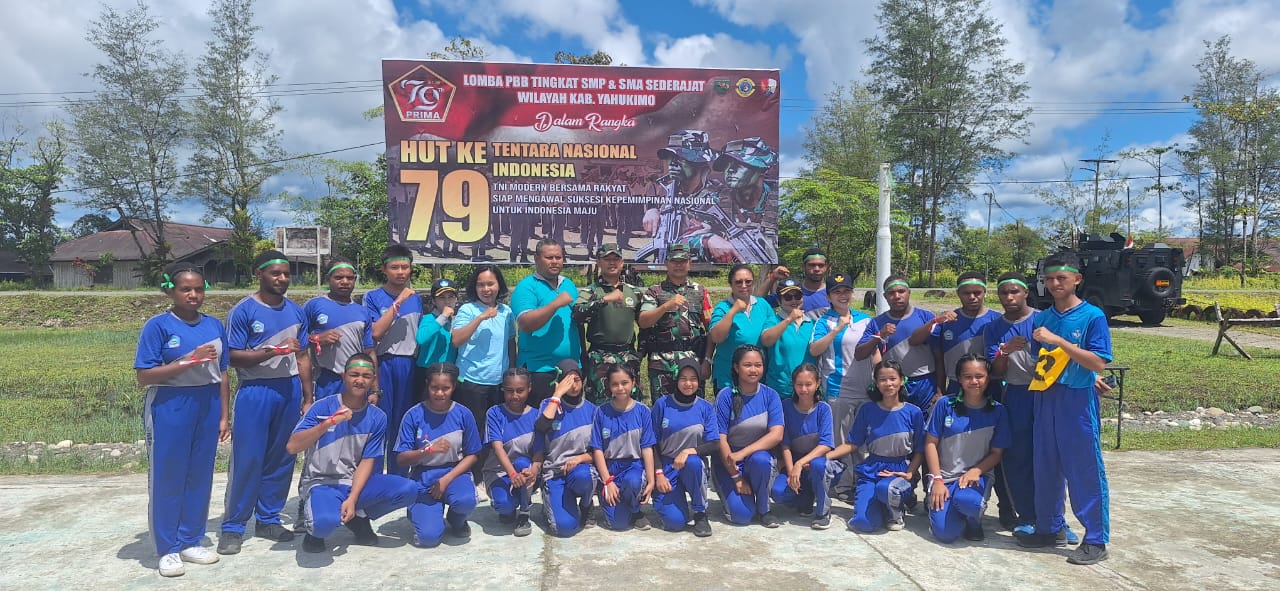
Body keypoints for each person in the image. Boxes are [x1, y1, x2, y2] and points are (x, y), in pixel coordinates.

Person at [1015, 253, 1114, 566]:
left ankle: (1095, 539)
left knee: (1084, 469)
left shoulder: (1092, 316)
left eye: (1062, 278)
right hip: (1046, 396)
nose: (1055, 283)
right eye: (1049, 278)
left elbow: (1098, 361)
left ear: (1077, 279)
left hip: (1077, 400)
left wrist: (1059, 341)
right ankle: (1049, 528)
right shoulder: (1042, 318)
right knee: (1046, 466)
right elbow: (1044, 360)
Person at [134, 263, 230, 576]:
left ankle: (190, 540)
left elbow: (223, 373)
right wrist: (188, 360)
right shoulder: (158, 326)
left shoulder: (214, 325)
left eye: (199, 289)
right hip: (170, 405)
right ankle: (167, 548)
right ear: (171, 292)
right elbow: (144, 376)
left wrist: (224, 415)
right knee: (169, 477)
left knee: (199, 475)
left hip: (207, 403)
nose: (193, 295)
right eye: (185, 289)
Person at [219, 251, 313, 555]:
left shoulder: (296, 312)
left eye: (286, 273)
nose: (282, 279)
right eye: (275, 273)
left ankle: (268, 519)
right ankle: (233, 526)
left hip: (289, 389)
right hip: (255, 390)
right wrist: (274, 350)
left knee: (282, 457)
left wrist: (308, 397)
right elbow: (232, 357)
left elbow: (303, 356)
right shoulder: (243, 311)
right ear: (259, 274)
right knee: (248, 459)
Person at [287, 354, 418, 554]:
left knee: (408, 489)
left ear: (373, 380)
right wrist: (329, 422)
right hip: (322, 483)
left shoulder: (377, 417)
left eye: (366, 376)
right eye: (354, 374)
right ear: (344, 376)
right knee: (324, 525)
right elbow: (292, 447)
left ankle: (358, 515)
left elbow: (367, 461)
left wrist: (353, 499)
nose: (360, 380)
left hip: (353, 483)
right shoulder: (322, 407)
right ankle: (314, 529)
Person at [985, 272, 1067, 537]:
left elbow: (1063, 356)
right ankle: (1027, 515)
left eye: (1014, 292)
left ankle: (1056, 519)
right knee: (1018, 457)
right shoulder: (993, 328)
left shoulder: (1043, 320)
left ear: (1025, 293)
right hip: (1016, 394)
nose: (1009, 297)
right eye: (1004, 293)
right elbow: (996, 372)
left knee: (1050, 457)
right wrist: (1005, 350)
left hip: (1047, 393)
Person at [828, 360, 925, 533]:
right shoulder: (867, 409)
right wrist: (825, 456)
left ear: (901, 380)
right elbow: (853, 443)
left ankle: (895, 511)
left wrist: (910, 473)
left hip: (899, 470)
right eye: (882, 379)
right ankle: (880, 506)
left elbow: (920, 450)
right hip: (871, 469)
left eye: (893, 379)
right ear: (876, 383)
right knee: (862, 523)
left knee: (886, 489)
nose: (888, 384)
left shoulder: (913, 412)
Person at [924, 355, 1011, 543]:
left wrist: (977, 470)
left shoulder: (998, 411)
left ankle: (973, 522)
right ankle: (949, 513)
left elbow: (997, 453)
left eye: (979, 376)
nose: (974, 381)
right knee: (945, 535)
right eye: (968, 376)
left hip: (976, 477)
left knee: (968, 502)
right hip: (945, 478)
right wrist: (937, 480)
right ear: (959, 379)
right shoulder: (944, 404)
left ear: (988, 378)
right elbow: (930, 443)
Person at [396, 363, 482, 548]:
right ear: (427, 385)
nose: (439, 393)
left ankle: (456, 519)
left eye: (445, 388)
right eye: (434, 387)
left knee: (465, 501)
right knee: (428, 538)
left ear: (454, 387)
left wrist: (446, 480)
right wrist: (428, 450)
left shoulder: (463, 414)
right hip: (424, 476)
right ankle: (420, 512)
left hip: (455, 473)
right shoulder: (413, 415)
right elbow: (401, 458)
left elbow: (473, 454)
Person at [809, 272, 877, 500]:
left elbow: (875, 351)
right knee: (842, 440)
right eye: (837, 292)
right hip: (838, 389)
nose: (842, 295)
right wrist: (837, 329)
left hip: (865, 389)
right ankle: (842, 485)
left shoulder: (865, 319)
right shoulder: (824, 321)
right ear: (828, 297)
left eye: (846, 291)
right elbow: (815, 349)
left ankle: (862, 482)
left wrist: (879, 379)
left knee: (863, 440)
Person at [452, 265, 516, 501]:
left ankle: (492, 474)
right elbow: (457, 340)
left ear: (498, 285)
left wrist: (511, 374)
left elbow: (511, 343)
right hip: (472, 381)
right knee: (475, 432)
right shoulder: (468, 309)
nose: (486, 289)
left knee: (496, 432)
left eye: (490, 284)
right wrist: (480, 318)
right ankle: (474, 478)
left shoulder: (507, 312)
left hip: (498, 382)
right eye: (481, 284)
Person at [364, 245, 423, 476]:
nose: (400, 272)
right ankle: (374, 478)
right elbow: (376, 333)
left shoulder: (416, 299)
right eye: (394, 267)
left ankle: (398, 478)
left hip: (409, 365)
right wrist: (398, 302)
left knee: (403, 425)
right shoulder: (373, 297)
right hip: (384, 363)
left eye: (404, 267)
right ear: (384, 269)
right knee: (381, 423)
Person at [714, 345, 784, 527]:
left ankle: (764, 509)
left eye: (758, 365)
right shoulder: (726, 396)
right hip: (728, 463)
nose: (753, 370)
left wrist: (744, 453)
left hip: (755, 459)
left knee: (762, 459)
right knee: (742, 517)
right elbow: (720, 440)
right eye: (747, 365)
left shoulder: (771, 395)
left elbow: (776, 435)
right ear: (736, 367)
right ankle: (735, 497)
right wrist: (736, 477)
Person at [650, 358, 719, 536]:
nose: (688, 384)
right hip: (667, 466)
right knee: (675, 523)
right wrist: (658, 473)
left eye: (693, 379)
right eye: (683, 378)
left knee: (694, 463)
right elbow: (652, 442)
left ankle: (700, 512)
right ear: (676, 379)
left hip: (692, 464)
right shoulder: (662, 404)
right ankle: (675, 500)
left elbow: (714, 444)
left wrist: (690, 451)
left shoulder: (705, 407)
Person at [511, 239, 582, 405]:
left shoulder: (569, 284)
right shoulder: (526, 287)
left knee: (569, 419)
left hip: (570, 369)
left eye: (558, 257)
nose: (555, 261)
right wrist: (555, 304)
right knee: (542, 417)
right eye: (549, 257)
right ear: (536, 258)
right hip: (539, 370)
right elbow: (525, 324)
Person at [637, 243, 712, 401]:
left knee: (693, 409)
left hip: (692, 361)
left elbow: (711, 330)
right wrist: (666, 306)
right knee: (663, 409)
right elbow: (643, 321)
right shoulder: (654, 291)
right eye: (674, 261)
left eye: (683, 261)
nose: (679, 265)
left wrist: (707, 360)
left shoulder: (700, 291)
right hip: (662, 363)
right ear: (666, 263)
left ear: (689, 263)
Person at [534, 359, 598, 537]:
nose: (573, 385)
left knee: (587, 475)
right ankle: (551, 501)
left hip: (580, 470)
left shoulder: (592, 410)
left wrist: (580, 459)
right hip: (555, 473)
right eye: (568, 381)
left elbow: (599, 452)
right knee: (564, 529)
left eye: (576, 380)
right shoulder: (548, 405)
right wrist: (557, 395)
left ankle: (586, 505)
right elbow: (541, 427)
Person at [590, 363, 657, 531]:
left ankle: (635, 510)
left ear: (633, 382)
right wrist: (607, 481)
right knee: (618, 525)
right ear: (608, 386)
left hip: (634, 467)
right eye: (615, 384)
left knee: (633, 482)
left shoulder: (643, 411)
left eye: (625, 382)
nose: (620, 388)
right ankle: (614, 501)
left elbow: (647, 448)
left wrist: (651, 480)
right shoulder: (601, 412)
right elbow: (597, 449)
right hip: (610, 469)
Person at [573, 243, 642, 404]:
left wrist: (640, 352)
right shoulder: (591, 291)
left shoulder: (634, 292)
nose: (612, 263)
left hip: (628, 356)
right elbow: (577, 314)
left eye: (616, 259)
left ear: (622, 263)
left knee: (630, 404)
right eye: (607, 259)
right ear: (598, 262)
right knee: (600, 405)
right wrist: (603, 300)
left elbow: (645, 323)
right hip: (600, 357)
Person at [856, 274, 937, 409]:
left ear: (909, 292)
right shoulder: (877, 323)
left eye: (901, 291)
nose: (897, 296)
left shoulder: (926, 317)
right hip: (893, 385)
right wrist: (879, 335)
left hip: (925, 383)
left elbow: (938, 354)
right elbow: (859, 354)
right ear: (885, 296)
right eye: (891, 293)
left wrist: (940, 389)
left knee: (923, 421)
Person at [769, 363, 834, 529]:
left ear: (817, 384)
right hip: (794, 463)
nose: (804, 389)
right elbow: (785, 444)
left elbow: (826, 444)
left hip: (816, 463)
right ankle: (805, 497)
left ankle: (823, 511)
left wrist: (800, 463)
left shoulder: (823, 409)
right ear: (793, 384)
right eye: (799, 384)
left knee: (819, 465)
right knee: (778, 493)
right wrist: (791, 471)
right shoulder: (786, 406)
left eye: (808, 384)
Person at [483, 368, 544, 537]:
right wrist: (512, 474)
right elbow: (497, 447)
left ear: (529, 388)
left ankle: (524, 512)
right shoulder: (494, 413)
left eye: (520, 390)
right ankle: (508, 506)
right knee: (504, 506)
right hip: (499, 472)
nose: (514, 396)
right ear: (503, 389)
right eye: (509, 391)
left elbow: (539, 452)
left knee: (522, 463)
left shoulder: (537, 415)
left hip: (526, 472)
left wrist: (534, 471)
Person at [304, 258, 376, 400]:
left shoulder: (362, 312)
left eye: (350, 278)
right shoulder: (314, 305)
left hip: (356, 380)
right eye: (338, 277)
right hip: (326, 380)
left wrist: (374, 390)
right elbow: (294, 340)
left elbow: (369, 351)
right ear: (327, 279)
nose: (345, 281)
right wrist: (316, 339)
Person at [931, 272, 1002, 401]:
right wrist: (940, 389)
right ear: (958, 293)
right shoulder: (946, 321)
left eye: (977, 292)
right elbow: (938, 358)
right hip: (956, 386)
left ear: (985, 292)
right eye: (966, 293)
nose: (972, 297)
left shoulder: (997, 320)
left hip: (990, 387)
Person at [708, 264, 775, 391]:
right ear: (731, 284)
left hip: (757, 379)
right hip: (728, 380)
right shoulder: (723, 308)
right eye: (738, 282)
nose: (744, 286)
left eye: (748, 282)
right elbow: (716, 337)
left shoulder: (762, 305)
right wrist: (733, 311)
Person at [760, 278, 817, 399]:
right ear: (779, 301)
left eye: (797, 296)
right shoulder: (773, 321)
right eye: (787, 297)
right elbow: (766, 340)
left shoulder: (812, 323)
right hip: (779, 390)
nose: (793, 300)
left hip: (806, 390)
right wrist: (789, 319)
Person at [755, 248, 831, 312]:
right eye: (812, 265)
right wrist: (772, 277)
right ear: (803, 267)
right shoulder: (792, 292)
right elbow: (756, 303)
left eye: (821, 265)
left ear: (827, 267)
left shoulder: (834, 293)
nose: (817, 269)